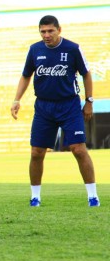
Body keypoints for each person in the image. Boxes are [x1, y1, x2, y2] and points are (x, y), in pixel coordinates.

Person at [11, 15, 100, 207]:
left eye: (50, 31)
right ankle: (35, 197)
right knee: (36, 152)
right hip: (43, 107)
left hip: (69, 105)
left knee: (78, 149)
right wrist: (17, 99)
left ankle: (93, 196)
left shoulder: (72, 49)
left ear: (59, 30)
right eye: (43, 31)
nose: (46, 35)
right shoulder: (35, 50)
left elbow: (86, 74)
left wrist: (89, 101)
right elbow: (26, 76)